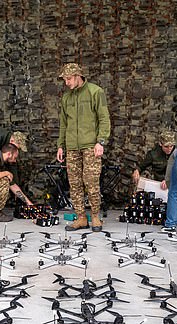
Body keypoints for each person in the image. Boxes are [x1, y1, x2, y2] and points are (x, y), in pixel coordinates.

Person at [56, 63, 111, 232]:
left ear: (78, 75)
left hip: (90, 146)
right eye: (64, 79)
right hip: (72, 147)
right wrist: (61, 146)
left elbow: (104, 118)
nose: (66, 82)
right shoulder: (66, 97)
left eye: (69, 78)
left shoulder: (96, 92)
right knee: (74, 183)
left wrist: (101, 141)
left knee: (92, 182)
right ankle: (80, 217)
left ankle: (95, 216)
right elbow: (64, 123)